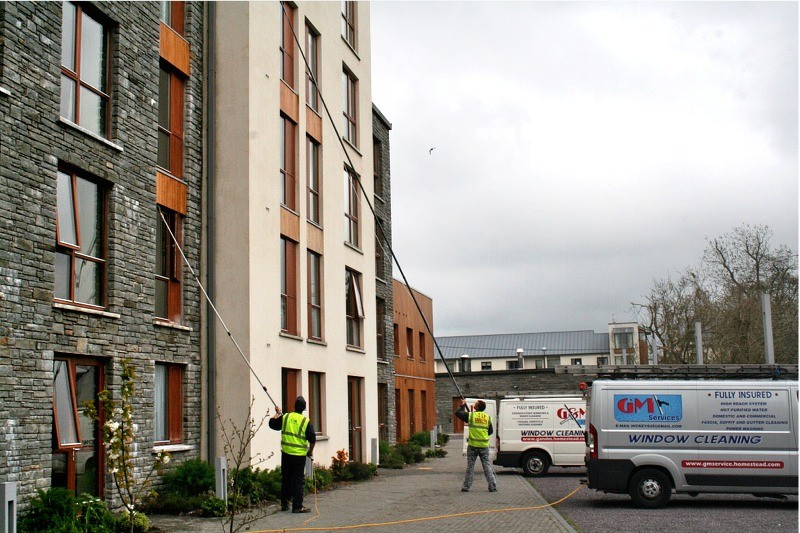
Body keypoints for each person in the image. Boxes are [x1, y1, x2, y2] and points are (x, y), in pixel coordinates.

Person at [269, 396, 316, 513]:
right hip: (299, 456)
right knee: (298, 480)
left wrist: (278, 413)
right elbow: (313, 439)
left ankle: (285, 504)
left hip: (286, 454)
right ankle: (297, 506)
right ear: (303, 409)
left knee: (286, 479)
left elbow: (272, 424)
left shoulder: (286, 417)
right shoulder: (305, 421)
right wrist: (310, 452)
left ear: (294, 407)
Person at [455, 399, 497, 492]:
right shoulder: (487, 417)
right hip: (484, 445)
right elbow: (490, 431)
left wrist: (462, 405)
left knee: (470, 467)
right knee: (486, 465)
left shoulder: (471, 416)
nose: (474, 405)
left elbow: (457, 413)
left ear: (477, 407)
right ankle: (492, 486)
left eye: (475, 404)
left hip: (473, 446)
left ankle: (466, 487)